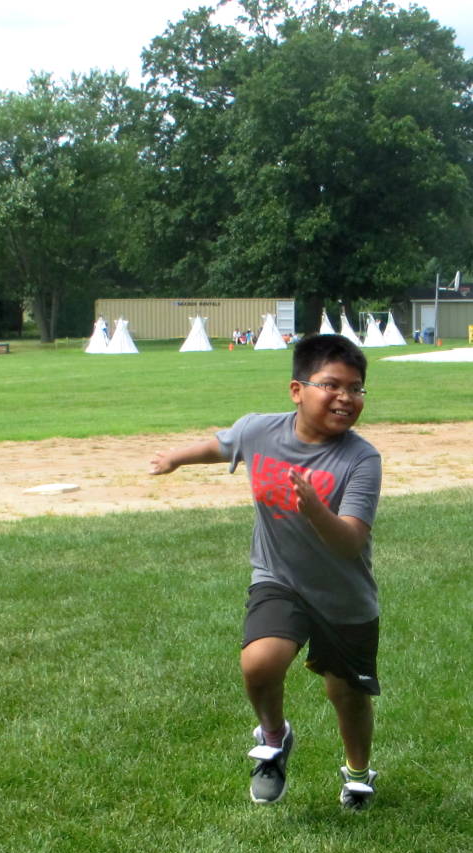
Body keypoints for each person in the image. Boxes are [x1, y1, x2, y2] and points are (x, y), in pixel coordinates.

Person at [148, 335, 384, 810]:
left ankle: (358, 774)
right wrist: (176, 457)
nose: (346, 398)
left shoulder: (361, 459)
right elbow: (222, 444)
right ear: (297, 390)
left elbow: (349, 542)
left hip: (344, 596)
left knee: (346, 694)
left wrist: (315, 509)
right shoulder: (260, 431)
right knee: (259, 661)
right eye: (331, 385)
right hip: (278, 578)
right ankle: (273, 740)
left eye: (356, 389)